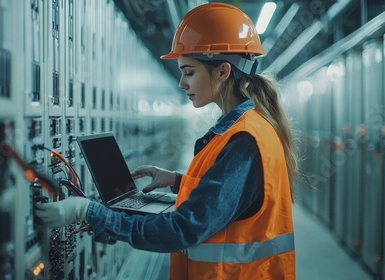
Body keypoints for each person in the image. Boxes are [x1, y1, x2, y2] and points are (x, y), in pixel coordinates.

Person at [36, 2, 298, 279]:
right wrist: (177, 182)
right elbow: (227, 199)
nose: (182, 84)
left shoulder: (244, 139)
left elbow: (183, 230)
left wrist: (89, 212)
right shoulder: (249, 128)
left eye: (189, 72)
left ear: (222, 71)